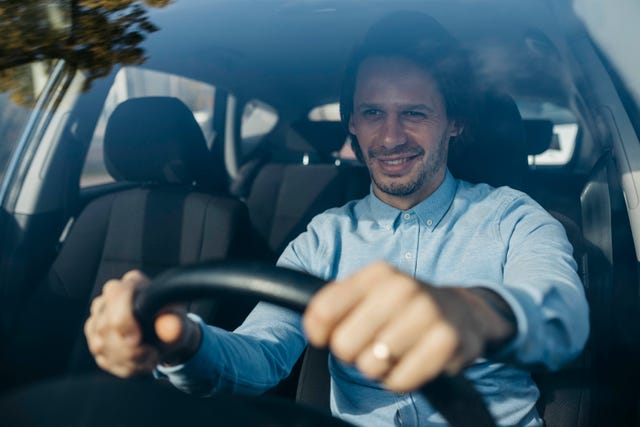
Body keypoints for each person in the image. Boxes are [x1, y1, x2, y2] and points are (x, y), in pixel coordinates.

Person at [84, 12, 589, 427]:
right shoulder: (322, 238)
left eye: (414, 113)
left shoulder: (515, 217)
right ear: (351, 122)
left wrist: (474, 312)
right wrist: (183, 343)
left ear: (454, 123)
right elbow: (264, 353)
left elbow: (563, 316)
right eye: (372, 113)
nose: (390, 137)